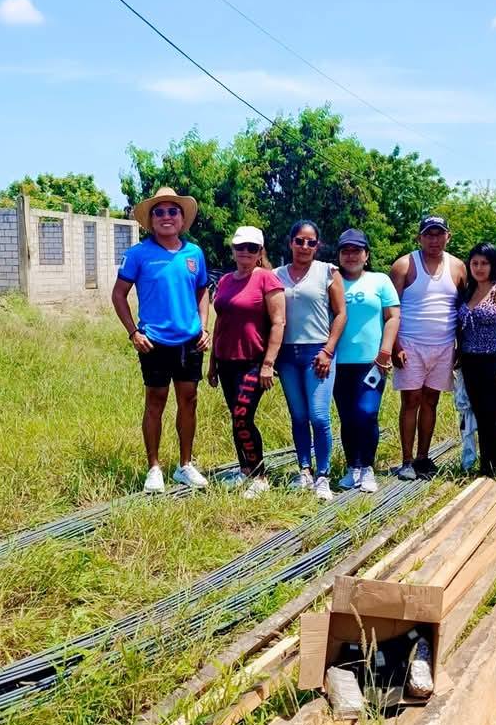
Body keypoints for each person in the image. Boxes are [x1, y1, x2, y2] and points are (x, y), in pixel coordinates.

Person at [111, 186, 210, 493]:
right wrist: (134, 332)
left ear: (182, 218)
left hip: (189, 341)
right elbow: (118, 295)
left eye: (172, 211)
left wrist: (204, 327)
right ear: (151, 220)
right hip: (153, 341)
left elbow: (203, 291)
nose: (167, 217)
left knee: (189, 401)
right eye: (159, 212)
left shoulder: (194, 254)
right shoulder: (138, 254)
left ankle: (185, 465)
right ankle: (154, 468)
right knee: (155, 402)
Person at [208, 226, 286, 498]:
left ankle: (260, 476)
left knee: (243, 416)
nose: (245, 252)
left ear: (260, 252)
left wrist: (268, 364)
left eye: (252, 248)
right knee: (236, 417)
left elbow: (278, 322)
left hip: (254, 360)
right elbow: (220, 322)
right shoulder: (225, 281)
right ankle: (244, 470)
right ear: (233, 249)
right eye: (240, 247)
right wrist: (212, 362)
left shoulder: (267, 279)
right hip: (226, 360)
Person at [389, 215, 467, 478]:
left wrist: (459, 346)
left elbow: (463, 310)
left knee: (431, 401)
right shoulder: (404, 265)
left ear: (448, 236)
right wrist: (394, 346)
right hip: (410, 344)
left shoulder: (458, 267)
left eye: (439, 234)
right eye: (428, 235)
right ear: (419, 238)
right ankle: (407, 460)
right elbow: (390, 309)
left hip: (444, 346)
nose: (434, 240)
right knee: (411, 400)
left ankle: (423, 457)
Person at [275, 220, 347, 499]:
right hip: (287, 354)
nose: (304, 246)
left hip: (317, 352)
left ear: (318, 245)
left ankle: (323, 474)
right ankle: (304, 469)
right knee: (298, 415)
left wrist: (328, 350)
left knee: (318, 416)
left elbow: (340, 314)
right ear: (291, 242)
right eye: (299, 241)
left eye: (311, 242)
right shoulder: (277, 275)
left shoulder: (328, 272)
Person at [332, 228, 400, 493]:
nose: (351, 256)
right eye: (345, 251)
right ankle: (353, 468)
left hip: (372, 362)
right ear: (339, 255)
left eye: (356, 250)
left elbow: (392, 317)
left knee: (367, 413)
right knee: (347, 417)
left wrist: (385, 351)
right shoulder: (332, 280)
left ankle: (367, 467)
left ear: (366, 255)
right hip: (338, 362)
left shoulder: (380, 280)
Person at [457, 243, 496, 477]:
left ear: (493, 264)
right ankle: (484, 466)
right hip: (470, 361)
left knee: (492, 415)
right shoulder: (470, 289)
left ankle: (495, 468)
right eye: (475, 263)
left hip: (495, 361)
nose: (479, 268)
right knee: (479, 414)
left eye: (484, 263)